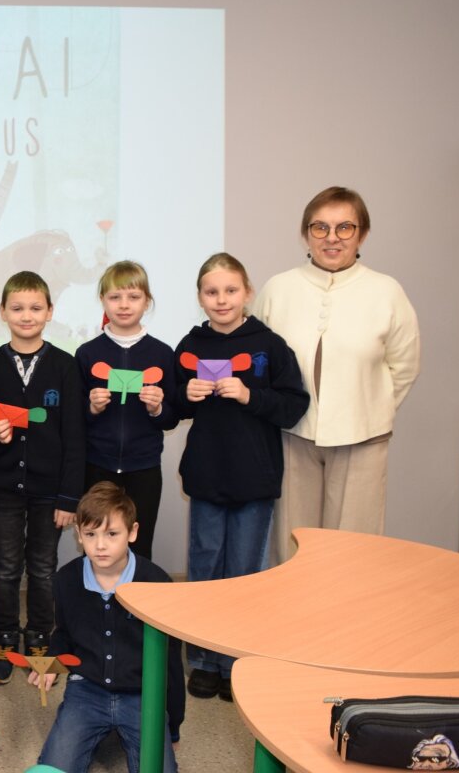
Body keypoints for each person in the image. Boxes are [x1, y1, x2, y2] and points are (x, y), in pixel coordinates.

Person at [253, 186, 420, 562]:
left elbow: (405, 365)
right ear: (306, 234)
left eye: (345, 227)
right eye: (320, 227)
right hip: (292, 436)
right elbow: (259, 361)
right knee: (292, 545)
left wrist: (370, 408)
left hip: (363, 439)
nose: (332, 238)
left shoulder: (386, 291)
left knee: (353, 550)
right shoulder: (279, 288)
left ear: (362, 234)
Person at [175, 253, 309, 699]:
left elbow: (294, 406)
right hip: (207, 475)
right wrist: (186, 394)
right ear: (200, 297)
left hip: (255, 477)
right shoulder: (190, 345)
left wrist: (251, 395)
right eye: (211, 292)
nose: (222, 299)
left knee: (246, 573)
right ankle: (202, 660)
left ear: (247, 292)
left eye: (231, 290)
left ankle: (236, 661)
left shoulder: (269, 345)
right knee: (205, 567)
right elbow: (171, 407)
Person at [0, 271, 85, 684]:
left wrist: (69, 498)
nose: (26, 315)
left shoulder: (65, 367)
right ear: (2, 312)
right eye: (17, 308)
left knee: (42, 567)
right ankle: (4, 639)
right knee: (4, 567)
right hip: (4, 488)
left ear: (50, 312)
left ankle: (39, 637)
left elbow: (75, 437)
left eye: (36, 308)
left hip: (49, 492)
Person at [30, 481, 184, 773]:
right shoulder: (66, 579)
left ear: (132, 532)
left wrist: (172, 726)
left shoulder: (157, 584)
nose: (100, 545)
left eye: (112, 534)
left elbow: (171, 662)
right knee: (54, 767)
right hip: (86, 690)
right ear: (79, 535)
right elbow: (64, 633)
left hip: (143, 695)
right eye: (90, 534)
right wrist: (52, 662)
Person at [73, 262, 178, 560]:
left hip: (144, 467)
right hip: (97, 465)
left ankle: (135, 593)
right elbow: (73, 417)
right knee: (96, 545)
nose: (123, 305)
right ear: (103, 300)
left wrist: (157, 408)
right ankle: (94, 592)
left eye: (133, 297)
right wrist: (91, 407)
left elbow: (172, 417)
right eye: (115, 297)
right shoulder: (87, 353)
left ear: (147, 301)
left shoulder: (162, 353)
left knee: (139, 546)